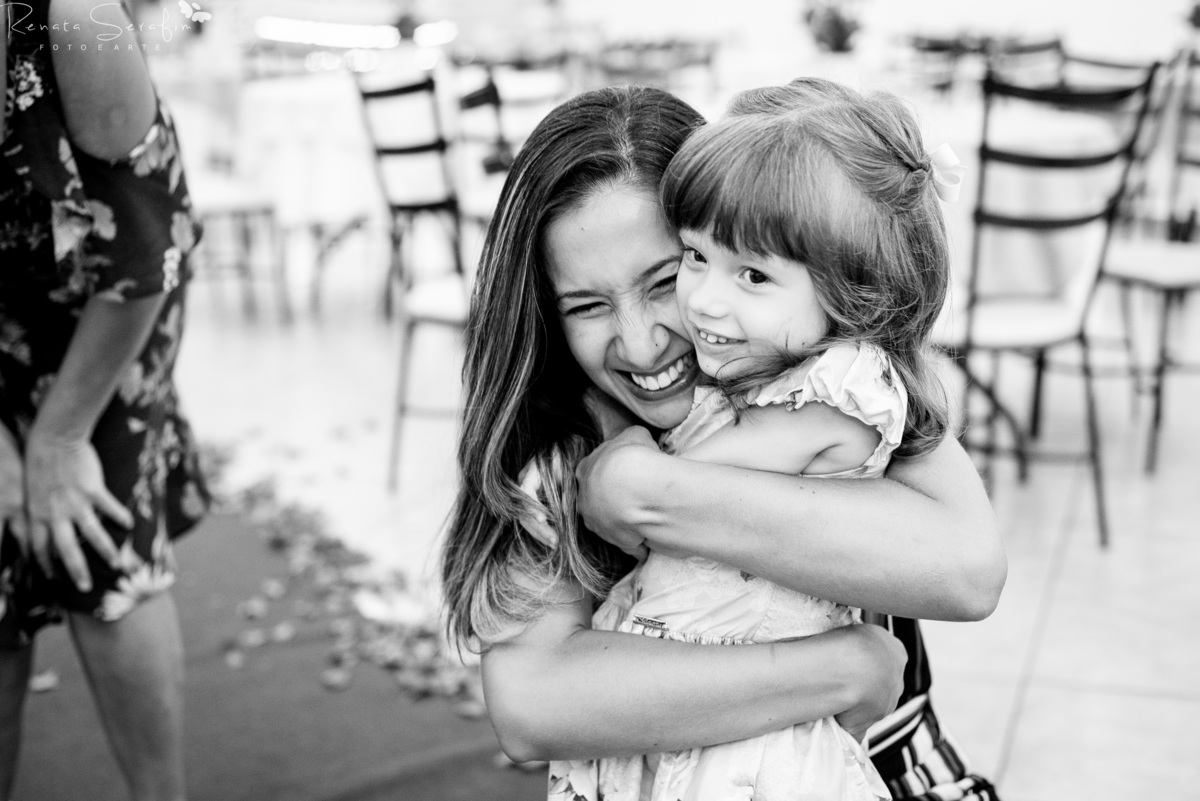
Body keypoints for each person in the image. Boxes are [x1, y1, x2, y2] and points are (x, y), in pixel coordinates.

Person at [442, 84, 1005, 801]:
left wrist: (647, 493)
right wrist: (843, 669)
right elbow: (533, 704)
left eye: (668, 275)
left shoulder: (825, 377)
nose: (643, 344)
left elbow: (969, 570)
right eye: (587, 305)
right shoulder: (560, 441)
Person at [0, 2, 209, 800]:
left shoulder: (72, 18)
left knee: (97, 533)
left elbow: (145, 244)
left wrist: (56, 440)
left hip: (110, 295)